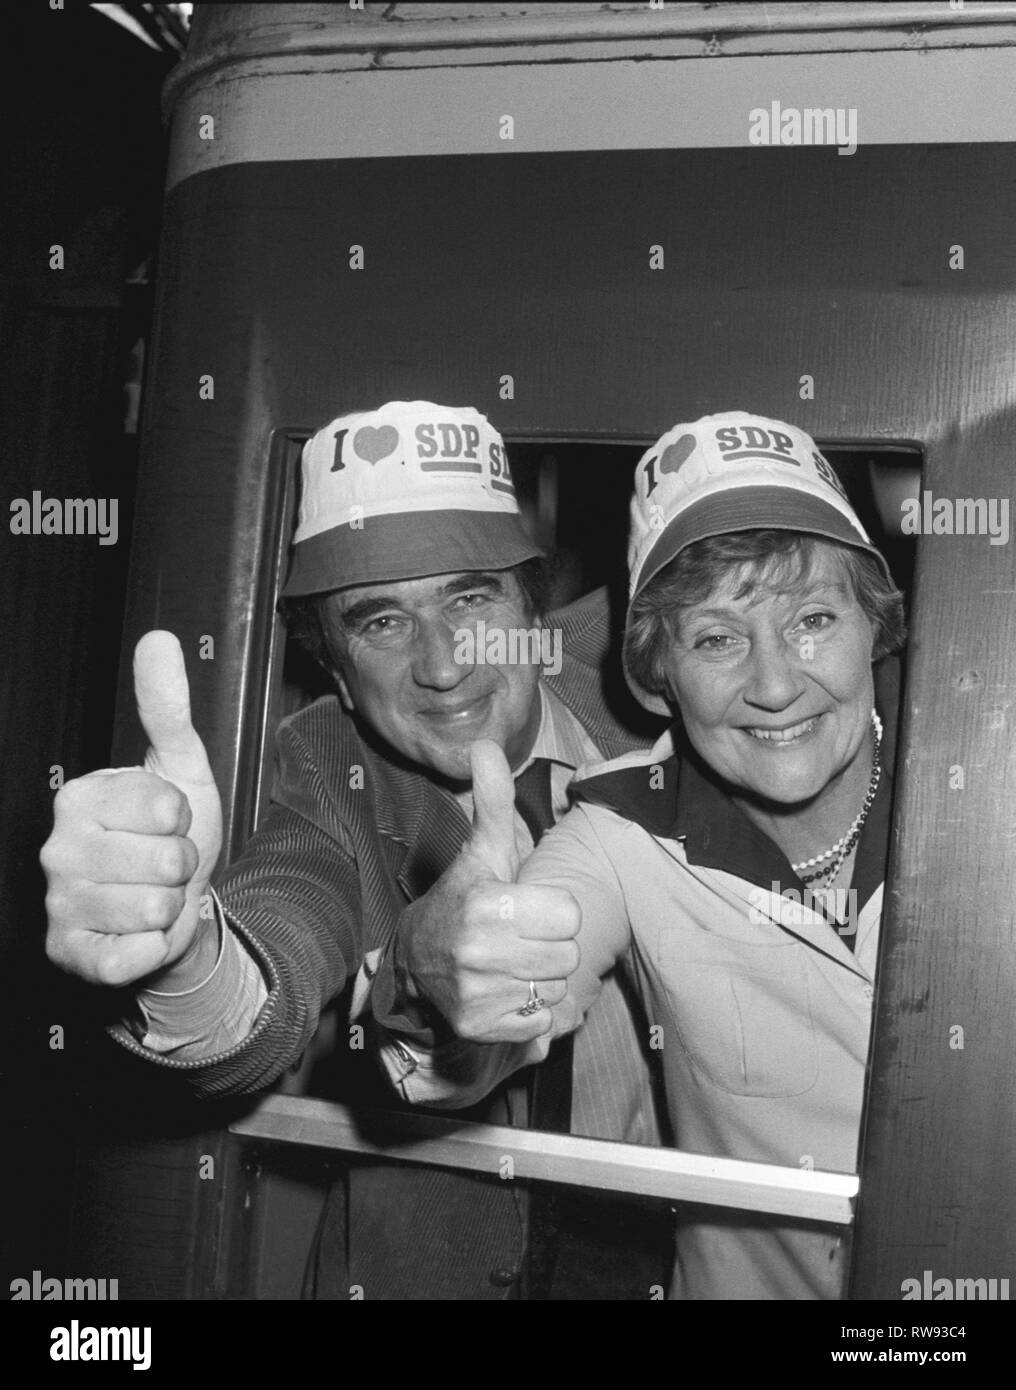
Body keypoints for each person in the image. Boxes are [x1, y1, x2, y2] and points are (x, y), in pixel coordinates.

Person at [40, 399, 670, 1300]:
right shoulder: (328, 770)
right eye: (381, 622)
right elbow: (278, 936)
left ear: (536, 610)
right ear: (336, 673)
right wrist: (181, 954)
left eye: (471, 598)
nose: (444, 665)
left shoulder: (663, 673)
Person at [379, 410, 906, 1300]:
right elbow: (500, 1014)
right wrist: (434, 974)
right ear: (661, 674)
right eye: (716, 638)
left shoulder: (978, 774)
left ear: (875, 625)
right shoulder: (621, 831)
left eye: (813, 618)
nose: (775, 684)